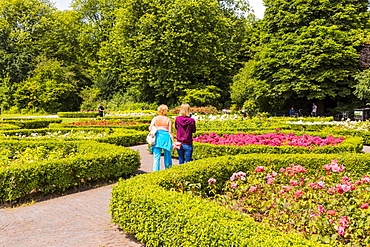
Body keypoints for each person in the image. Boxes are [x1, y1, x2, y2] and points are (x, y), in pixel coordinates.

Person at [149, 104, 173, 171]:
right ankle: (168, 169)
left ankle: (155, 171)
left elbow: (150, 128)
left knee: (156, 156)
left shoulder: (155, 118)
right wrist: (173, 141)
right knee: (167, 155)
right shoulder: (168, 119)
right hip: (166, 137)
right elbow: (170, 131)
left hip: (157, 137)